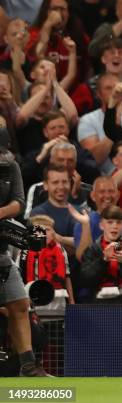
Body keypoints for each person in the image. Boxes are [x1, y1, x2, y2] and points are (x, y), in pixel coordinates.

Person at [0, 146, 50, 376]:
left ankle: (28, 364)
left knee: (19, 304)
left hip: (1, 253)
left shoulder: (10, 165)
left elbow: (19, 202)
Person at [79, 205, 122, 304]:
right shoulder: (92, 249)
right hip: (97, 305)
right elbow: (86, 281)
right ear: (101, 225)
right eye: (110, 222)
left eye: (119, 222)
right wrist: (104, 260)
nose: (115, 226)